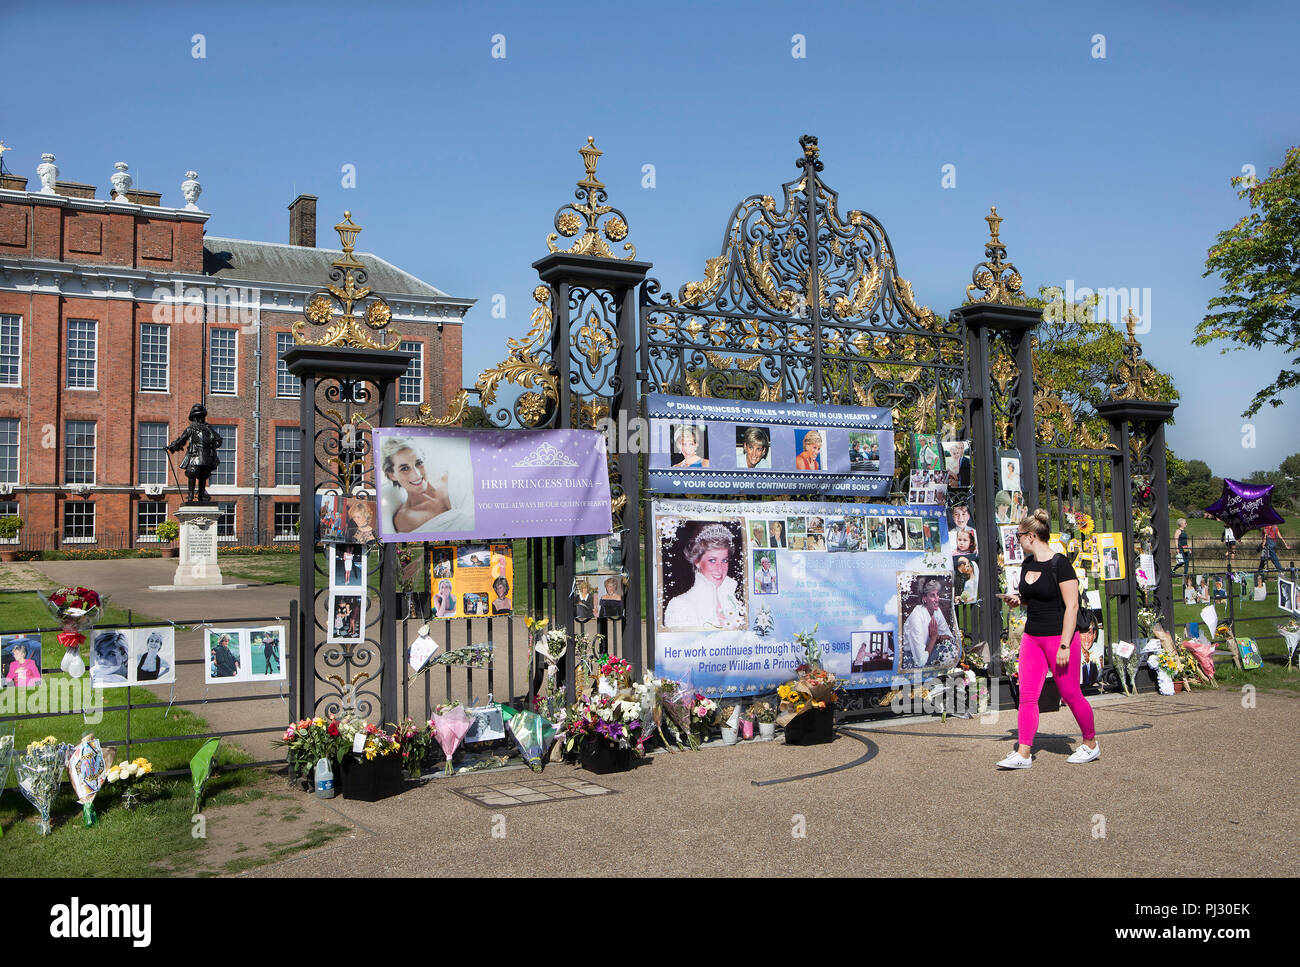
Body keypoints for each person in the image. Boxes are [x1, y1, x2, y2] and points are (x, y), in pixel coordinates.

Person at [997, 509, 1098, 769]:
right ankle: (1023, 753)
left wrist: (1065, 645)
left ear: (1031, 536)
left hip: (1059, 638)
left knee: (1070, 693)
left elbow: (1072, 606)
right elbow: (1034, 598)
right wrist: (1018, 600)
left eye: (1018, 536)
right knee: (1028, 695)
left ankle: (1090, 744)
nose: (1017, 540)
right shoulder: (1028, 564)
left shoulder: (1060, 564)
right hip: (1033, 637)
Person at [663, 524, 745, 629]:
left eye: (724, 560)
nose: (720, 569)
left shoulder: (731, 599)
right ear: (697, 561)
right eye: (712, 560)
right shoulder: (681, 605)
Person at [166, 403, 223, 503]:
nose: (200, 418)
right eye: (198, 416)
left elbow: (218, 439)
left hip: (207, 456)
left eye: (201, 416)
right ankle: (190, 496)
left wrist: (215, 443)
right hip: (195, 455)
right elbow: (182, 440)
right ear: (195, 418)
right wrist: (172, 446)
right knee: (192, 473)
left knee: (203, 475)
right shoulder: (191, 429)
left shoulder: (209, 429)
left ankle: (201, 496)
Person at [901, 579, 957, 669]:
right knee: (946, 652)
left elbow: (950, 638)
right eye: (932, 595)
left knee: (951, 649)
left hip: (927, 652)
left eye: (937, 594)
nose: (937, 599)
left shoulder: (936, 611)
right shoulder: (916, 617)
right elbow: (920, 661)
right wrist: (933, 638)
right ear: (924, 598)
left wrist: (938, 637)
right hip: (911, 658)